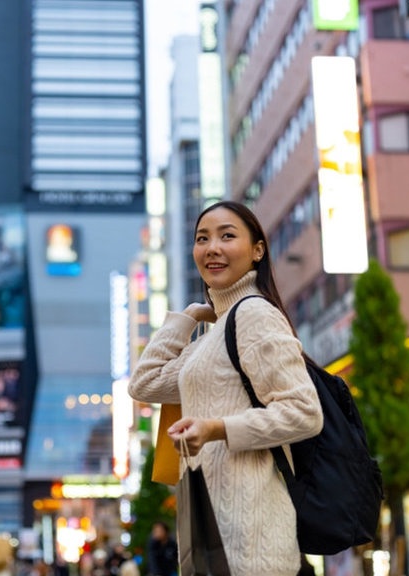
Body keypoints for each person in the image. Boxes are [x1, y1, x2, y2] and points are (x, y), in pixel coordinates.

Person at [128, 200, 323, 575]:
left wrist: (216, 428)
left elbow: (304, 412)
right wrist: (185, 319)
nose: (212, 247)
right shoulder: (216, 334)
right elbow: (145, 383)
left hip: (252, 545)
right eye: (202, 238)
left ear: (257, 251)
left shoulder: (255, 314)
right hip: (213, 537)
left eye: (227, 236)